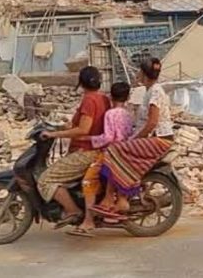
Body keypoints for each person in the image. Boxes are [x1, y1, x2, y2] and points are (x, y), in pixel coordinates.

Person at [97, 58, 174, 216]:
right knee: (118, 151)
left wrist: (135, 139)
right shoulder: (150, 91)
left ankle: (114, 199)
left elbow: (152, 123)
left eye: (140, 71)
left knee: (114, 151)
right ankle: (117, 197)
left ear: (144, 74)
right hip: (152, 138)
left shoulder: (155, 92)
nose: (137, 74)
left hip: (158, 139)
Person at [37, 67, 110, 229]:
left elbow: (83, 129)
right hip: (95, 150)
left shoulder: (89, 100)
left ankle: (72, 210)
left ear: (81, 83)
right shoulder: (103, 99)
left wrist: (54, 135)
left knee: (45, 180)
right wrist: (60, 127)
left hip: (85, 152)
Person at [69, 82, 134, 237]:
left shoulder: (110, 114)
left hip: (110, 153)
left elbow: (108, 137)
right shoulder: (128, 115)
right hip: (123, 152)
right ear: (127, 97)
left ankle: (89, 220)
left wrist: (88, 138)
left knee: (88, 181)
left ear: (111, 96)